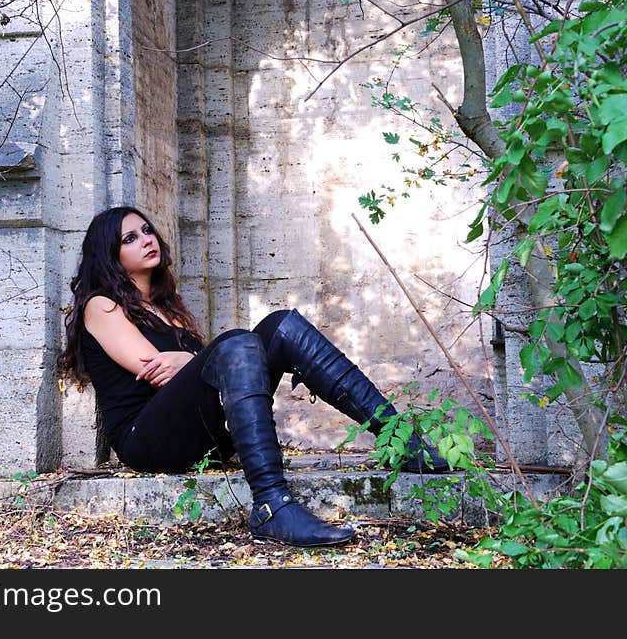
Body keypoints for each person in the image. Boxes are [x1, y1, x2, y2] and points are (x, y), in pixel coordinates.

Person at [57, 206, 450, 547]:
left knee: (281, 326)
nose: (147, 239)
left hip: (198, 436)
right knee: (237, 343)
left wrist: (191, 358)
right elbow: (157, 369)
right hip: (147, 440)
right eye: (130, 237)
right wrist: (194, 357)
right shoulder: (102, 306)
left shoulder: (166, 307)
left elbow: (200, 366)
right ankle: (270, 505)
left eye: (147, 230)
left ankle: (400, 438)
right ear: (109, 255)